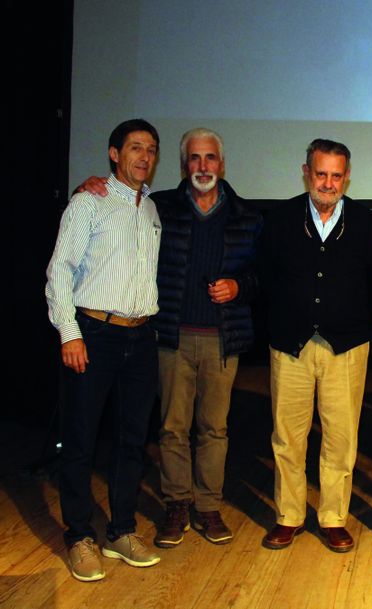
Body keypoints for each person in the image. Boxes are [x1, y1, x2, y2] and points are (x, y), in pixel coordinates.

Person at [77, 128, 263, 548]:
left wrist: (239, 286)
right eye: (194, 159)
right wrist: (85, 185)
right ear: (184, 165)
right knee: (172, 428)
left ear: (221, 163)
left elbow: (261, 276)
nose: (202, 166)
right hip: (170, 338)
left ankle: (208, 506)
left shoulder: (248, 217)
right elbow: (115, 201)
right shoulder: (159, 207)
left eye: (210, 158)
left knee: (214, 428)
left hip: (223, 339)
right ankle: (178, 504)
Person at [46, 119, 162, 582]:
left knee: (132, 441)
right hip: (94, 335)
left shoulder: (151, 209)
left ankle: (120, 530)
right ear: (114, 154)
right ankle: (78, 536)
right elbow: (60, 271)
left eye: (151, 149)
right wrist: (69, 334)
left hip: (141, 337)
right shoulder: (87, 203)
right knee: (80, 439)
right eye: (135, 148)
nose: (144, 156)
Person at [261, 139, 372, 553]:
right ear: (306, 173)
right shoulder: (279, 219)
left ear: (347, 177)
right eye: (321, 173)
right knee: (287, 437)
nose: (328, 183)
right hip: (290, 345)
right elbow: (265, 278)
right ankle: (288, 516)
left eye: (336, 175)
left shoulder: (365, 222)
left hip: (345, 346)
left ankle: (333, 518)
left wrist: (356, 323)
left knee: (340, 438)